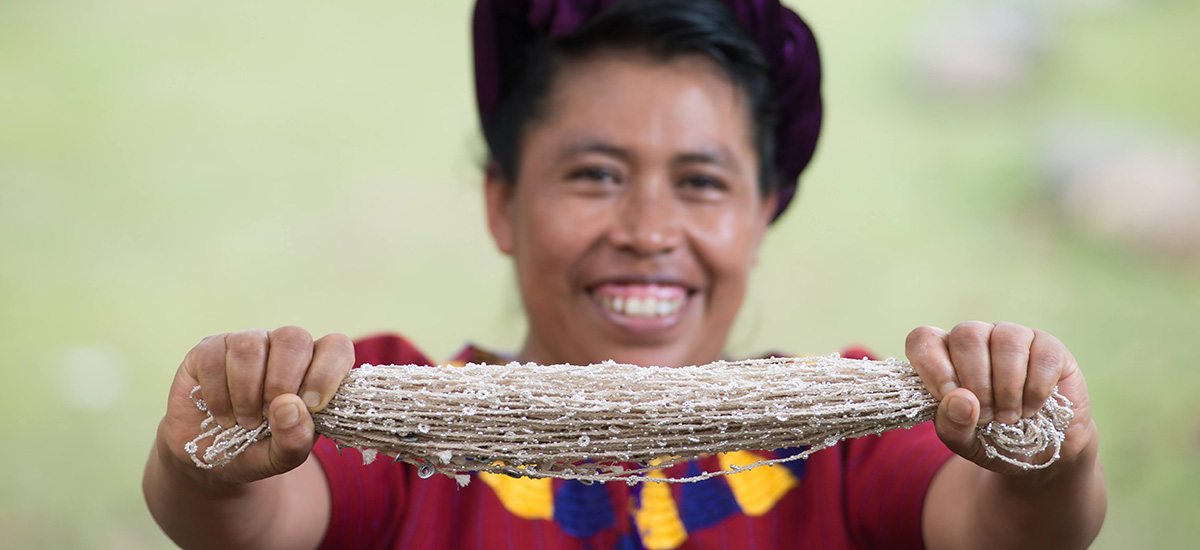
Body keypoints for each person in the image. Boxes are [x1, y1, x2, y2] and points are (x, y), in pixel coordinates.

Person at [142, 0, 1107, 548]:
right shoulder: (376, 412)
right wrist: (212, 459)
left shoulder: (852, 452)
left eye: (701, 181)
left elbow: (1006, 531)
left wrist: (1043, 457)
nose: (649, 230)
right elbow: (255, 522)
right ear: (500, 203)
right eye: (595, 175)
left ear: (764, 212)